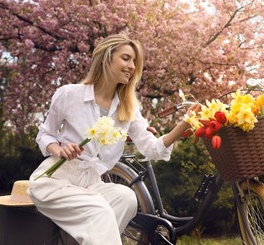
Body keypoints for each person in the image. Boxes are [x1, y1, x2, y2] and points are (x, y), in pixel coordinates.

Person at [28, 33, 201, 245]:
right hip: (55, 182)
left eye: (134, 61)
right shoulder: (69, 94)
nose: (132, 66)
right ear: (106, 58)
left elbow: (151, 148)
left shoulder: (128, 108)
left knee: (126, 197)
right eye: (126, 58)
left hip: (91, 185)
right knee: (100, 210)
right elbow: (45, 134)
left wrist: (184, 124)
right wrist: (59, 150)